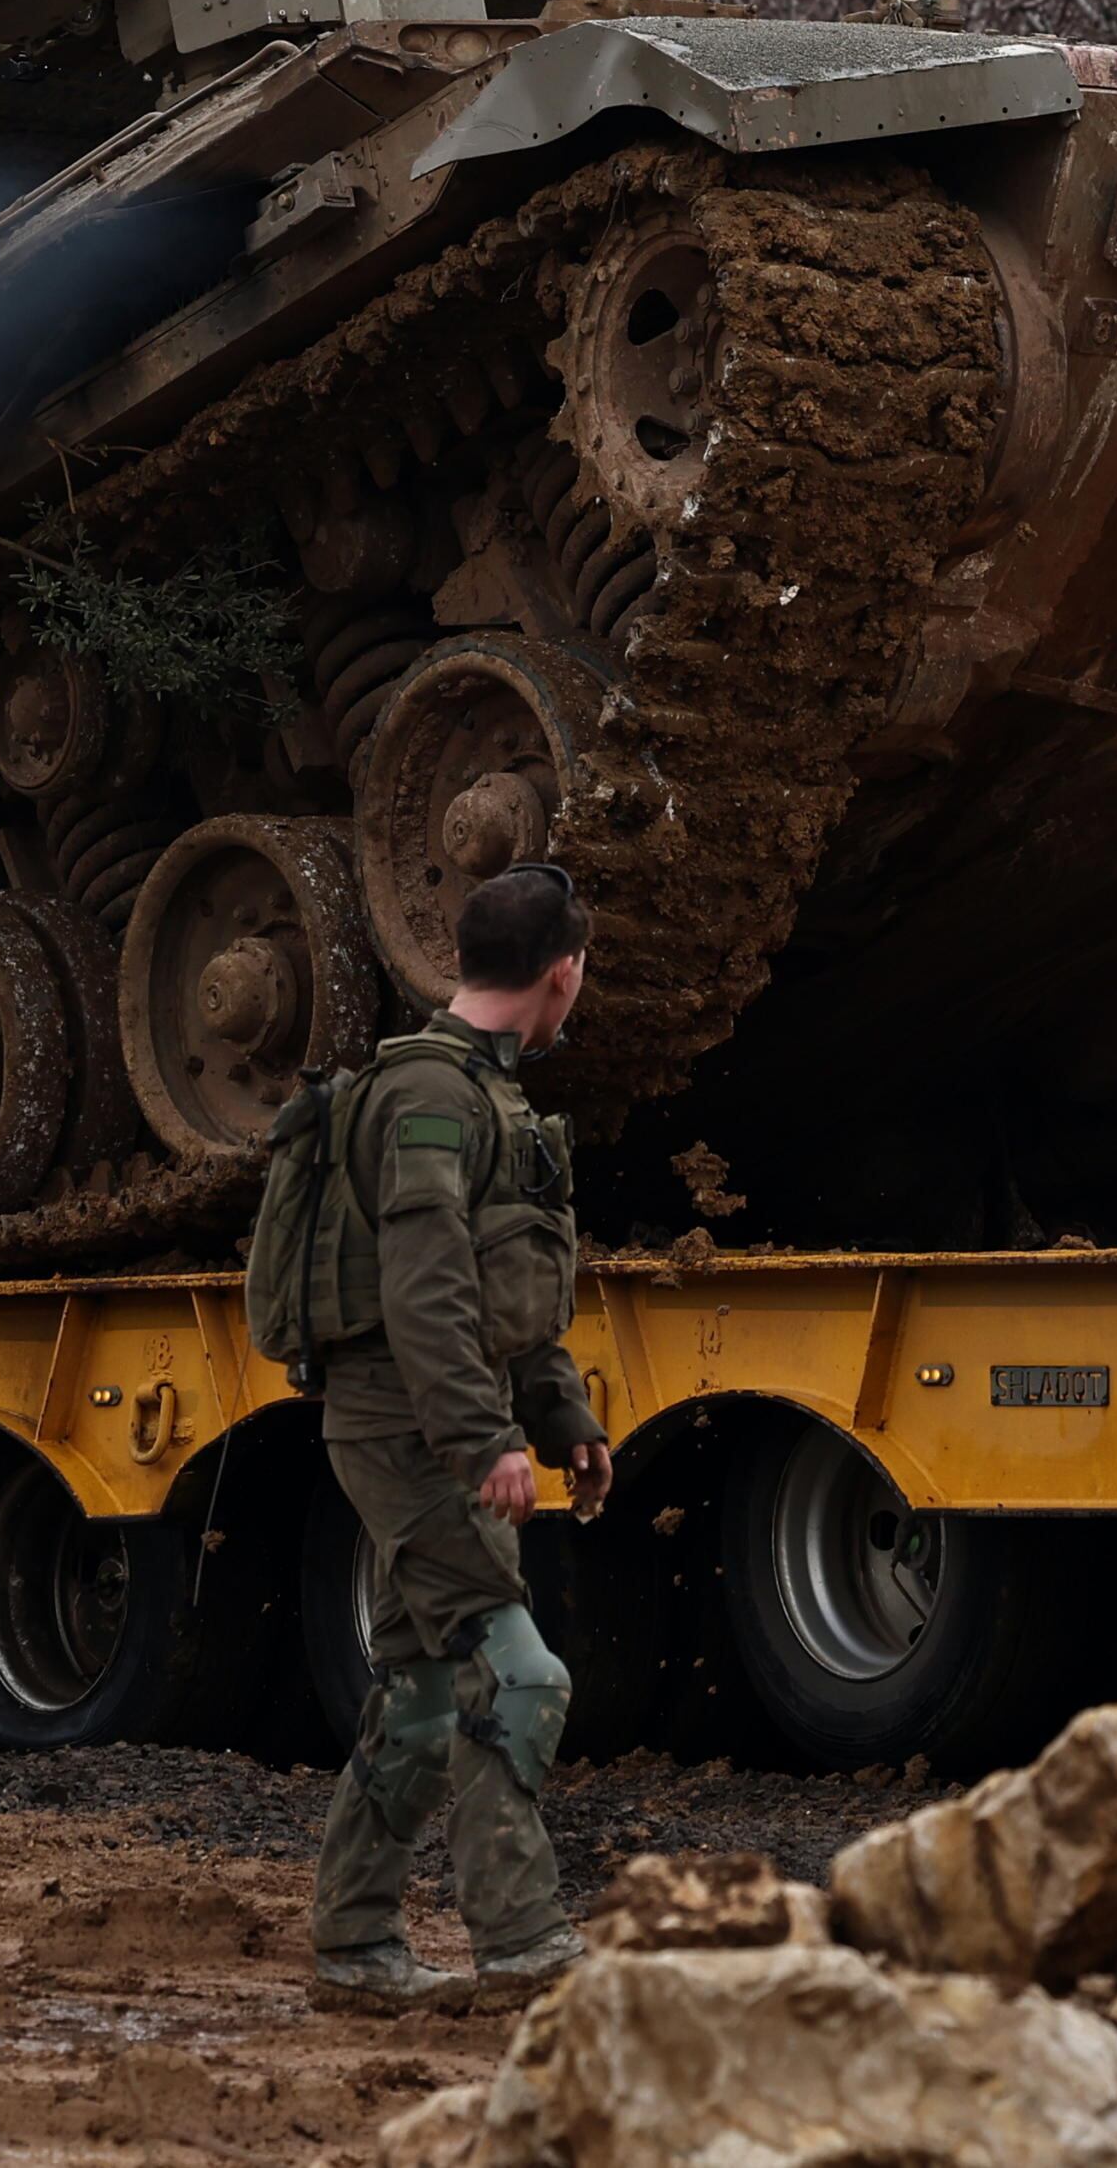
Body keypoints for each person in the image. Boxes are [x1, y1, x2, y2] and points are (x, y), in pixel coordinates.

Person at [307, 858, 614, 2016]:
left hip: (435, 1419)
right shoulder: (430, 1099)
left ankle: (353, 1947)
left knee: (425, 1695)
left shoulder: (488, 1097)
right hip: (411, 1433)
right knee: (517, 1676)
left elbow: (505, 1294)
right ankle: (525, 1946)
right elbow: (424, 1290)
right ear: (560, 972)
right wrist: (485, 1441)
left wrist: (563, 1418)